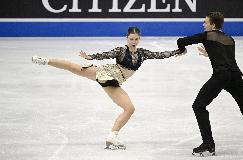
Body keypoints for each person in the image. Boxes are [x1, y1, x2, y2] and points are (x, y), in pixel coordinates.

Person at [32, 27, 185, 150]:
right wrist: (90, 57)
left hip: (115, 81)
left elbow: (160, 54)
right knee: (75, 68)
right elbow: (106, 54)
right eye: (131, 39)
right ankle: (45, 61)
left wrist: (178, 51)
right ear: (127, 38)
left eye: (136, 39)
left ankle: (112, 137)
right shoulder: (121, 50)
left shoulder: (143, 53)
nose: (133, 41)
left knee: (129, 109)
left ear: (139, 39)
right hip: (107, 72)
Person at [177, 12, 243, 156]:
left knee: (198, 105)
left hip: (221, 76)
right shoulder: (230, 39)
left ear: (213, 25)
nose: (203, 25)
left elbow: (181, 41)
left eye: (205, 22)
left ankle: (208, 145)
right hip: (236, 76)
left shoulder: (207, 35)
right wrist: (210, 53)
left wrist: (182, 50)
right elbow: (225, 56)